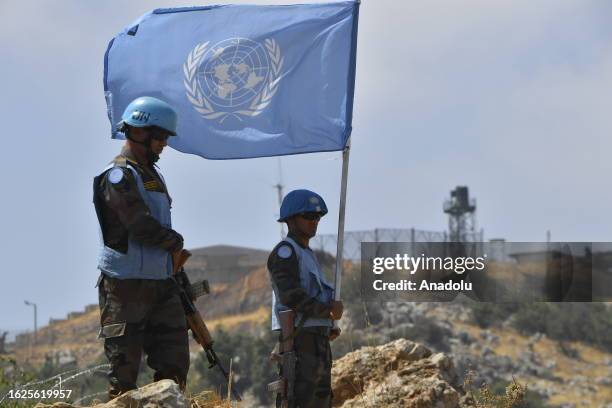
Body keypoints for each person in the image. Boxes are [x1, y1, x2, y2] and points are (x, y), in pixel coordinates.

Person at [93, 96, 190, 398]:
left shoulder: (152, 176)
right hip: (126, 288)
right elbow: (139, 226)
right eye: (159, 136)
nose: (164, 144)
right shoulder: (119, 176)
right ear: (138, 132)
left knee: (174, 369)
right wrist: (174, 241)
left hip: (162, 284)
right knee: (124, 379)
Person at [268, 189, 344, 408]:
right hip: (300, 340)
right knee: (300, 399)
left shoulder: (308, 254)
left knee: (321, 400)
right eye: (309, 217)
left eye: (317, 217)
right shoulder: (285, 252)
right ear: (291, 220)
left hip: (317, 340)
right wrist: (326, 311)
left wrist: (327, 323)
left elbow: (314, 293)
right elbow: (291, 295)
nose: (315, 222)